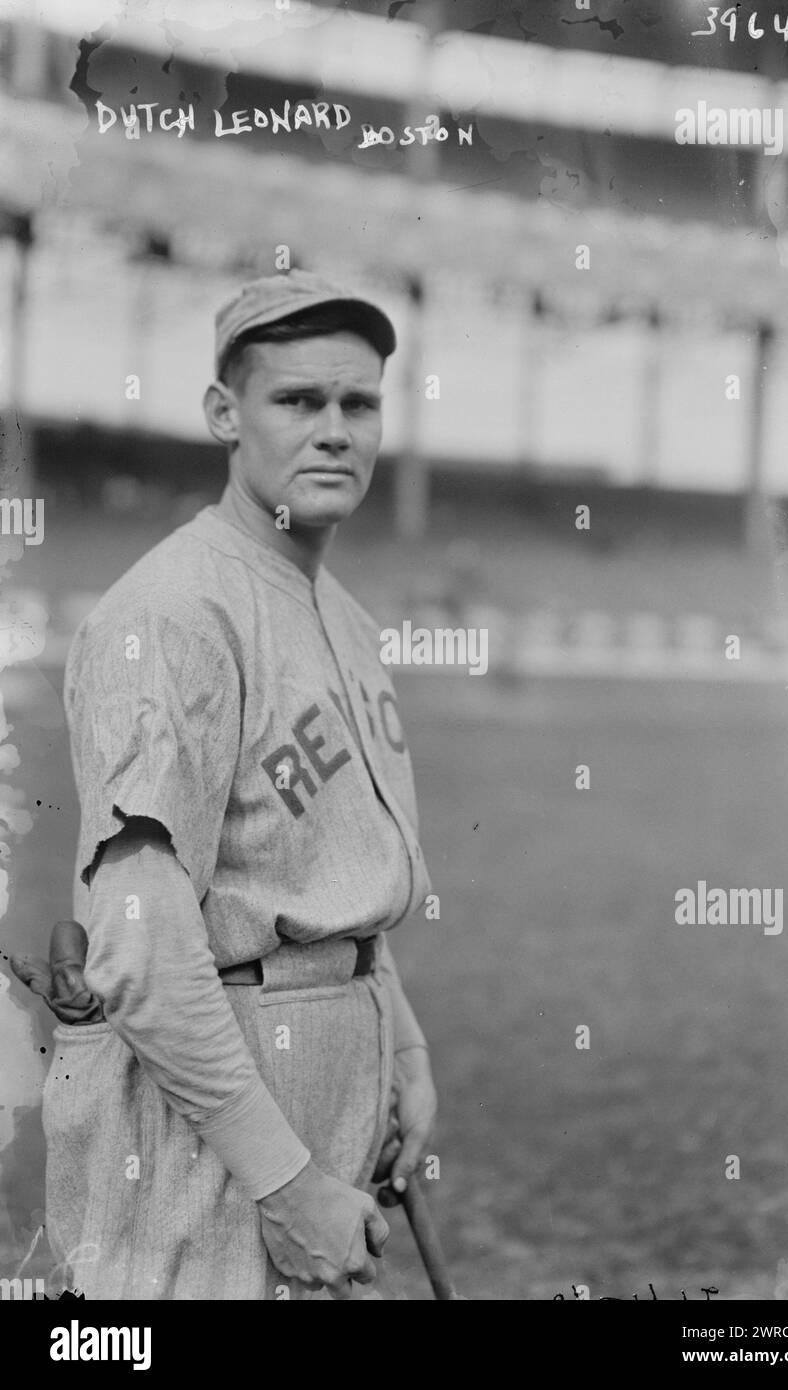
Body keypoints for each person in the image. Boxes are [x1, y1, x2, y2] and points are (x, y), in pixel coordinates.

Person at [13, 269, 437, 1300]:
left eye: (359, 402)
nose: (335, 430)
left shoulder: (346, 616)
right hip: (203, 1108)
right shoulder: (170, 615)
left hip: (332, 1069)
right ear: (224, 415)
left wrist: (403, 1047)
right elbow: (143, 952)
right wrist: (290, 1185)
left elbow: (339, 885)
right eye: (297, 401)